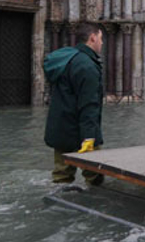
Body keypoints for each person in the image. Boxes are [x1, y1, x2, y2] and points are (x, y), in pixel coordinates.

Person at [44, 23, 105, 186]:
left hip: (60, 129)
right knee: (95, 177)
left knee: (61, 177)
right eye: (100, 38)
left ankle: (58, 207)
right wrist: (89, 137)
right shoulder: (88, 66)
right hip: (80, 132)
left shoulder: (67, 59)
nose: (102, 43)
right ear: (92, 38)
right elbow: (89, 105)